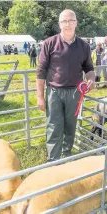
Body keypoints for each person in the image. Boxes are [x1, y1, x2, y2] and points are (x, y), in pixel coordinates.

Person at [36, 9, 95, 162]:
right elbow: (41, 71)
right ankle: (53, 161)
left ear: (76, 23)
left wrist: (91, 79)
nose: (67, 24)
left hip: (74, 93)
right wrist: (40, 97)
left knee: (70, 127)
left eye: (71, 20)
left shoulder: (84, 46)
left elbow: (88, 68)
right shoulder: (49, 43)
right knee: (54, 127)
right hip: (54, 92)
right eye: (64, 21)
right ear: (59, 24)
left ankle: (66, 158)